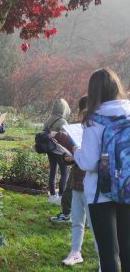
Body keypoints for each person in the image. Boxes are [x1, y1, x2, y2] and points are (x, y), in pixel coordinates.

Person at [73, 68, 130, 272]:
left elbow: (88, 162)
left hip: (101, 194)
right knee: (127, 250)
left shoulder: (94, 120)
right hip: (127, 187)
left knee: (109, 254)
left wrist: (75, 151)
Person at [51, 96, 100, 267]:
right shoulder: (78, 130)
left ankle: (103, 260)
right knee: (77, 221)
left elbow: (95, 159)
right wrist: (69, 158)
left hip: (94, 185)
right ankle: (75, 252)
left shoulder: (99, 130)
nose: (84, 115)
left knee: (97, 226)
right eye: (83, 112)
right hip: (78, 181)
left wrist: (77, 154)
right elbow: (69, 157)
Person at [43, 98, 71, 204]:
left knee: (52, 172)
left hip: (50, 150)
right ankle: (61, 197)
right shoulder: (63, 121)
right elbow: (66, 137)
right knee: (64, 173)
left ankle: (52, 196)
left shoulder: (49, 119)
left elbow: (44, 132)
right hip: (60, 151)